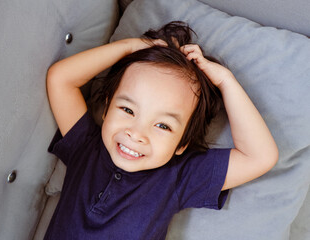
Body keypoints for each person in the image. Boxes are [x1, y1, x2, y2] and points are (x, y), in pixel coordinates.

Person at [44, 21, 278, 239]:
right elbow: (60, 79)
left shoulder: (178, 178)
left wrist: (226, 82)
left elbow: (259, 157)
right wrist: (129, 47)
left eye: (163, 125)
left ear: (182, 144)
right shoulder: (84, 145)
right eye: (127, 110)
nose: (136, 133)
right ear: (106, 109)